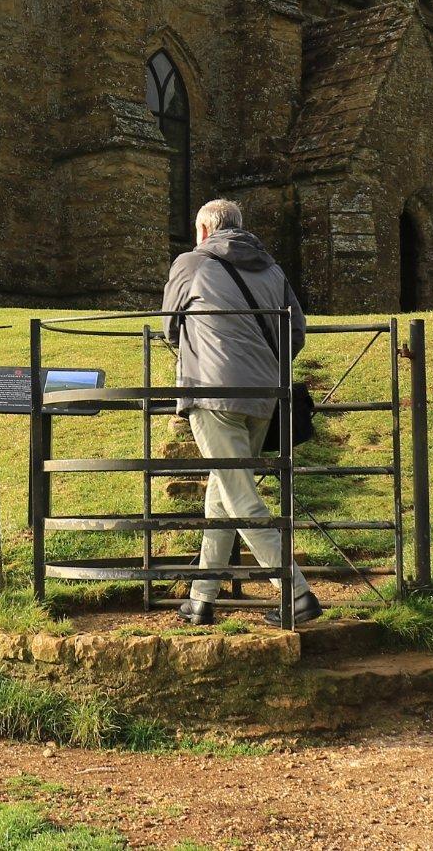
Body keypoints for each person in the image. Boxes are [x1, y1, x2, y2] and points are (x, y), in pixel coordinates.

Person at [161, 199, 320, 626]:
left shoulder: (190, 263)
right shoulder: (272, 269)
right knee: (225, 493)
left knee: (241, 497)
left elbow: (168, 327)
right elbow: (297, 332)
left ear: (206, 229)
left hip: (213, 394)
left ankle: (296, 593)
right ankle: (202, 597)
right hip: (264, 395)